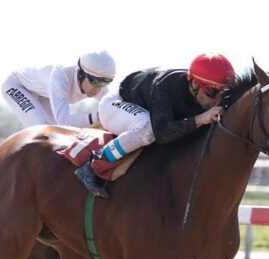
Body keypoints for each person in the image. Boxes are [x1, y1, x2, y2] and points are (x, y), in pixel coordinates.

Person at [74, 53, 236, 198]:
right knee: (148, 129)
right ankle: (95, 162)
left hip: (144, 110)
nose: (217, 99)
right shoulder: (166, 86)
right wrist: (200, 119)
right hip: (114, 105)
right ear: (194, 84)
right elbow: (162, 133)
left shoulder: (201, 91)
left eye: (223, 93)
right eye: (212, 92)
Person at [1, 51, 116, 128]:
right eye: (95, 82)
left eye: (104, 83)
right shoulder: (60, 78)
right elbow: (64, 121)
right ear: (82, 74)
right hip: (17, 85)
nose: (99, 88)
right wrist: (98, 117)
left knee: (56, 131)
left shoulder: (98, 84)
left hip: (44, 94)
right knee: (41, 127)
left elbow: (114, 107)